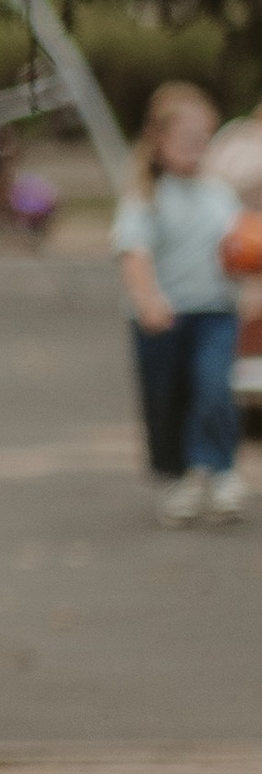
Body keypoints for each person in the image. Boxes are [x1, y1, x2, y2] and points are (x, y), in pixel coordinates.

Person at [113, 79, 249, 528]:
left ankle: (220, 469)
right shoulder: (147, 198)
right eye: (187, 140)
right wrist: (147, 300)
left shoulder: (219, 196)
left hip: (214, 311)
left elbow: (240, 247)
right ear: (159, 140)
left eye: (203, 140)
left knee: (213, 387)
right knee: (169, 398)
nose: (196, 149)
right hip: (165, 317)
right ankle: (183, 477)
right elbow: (134, 254)